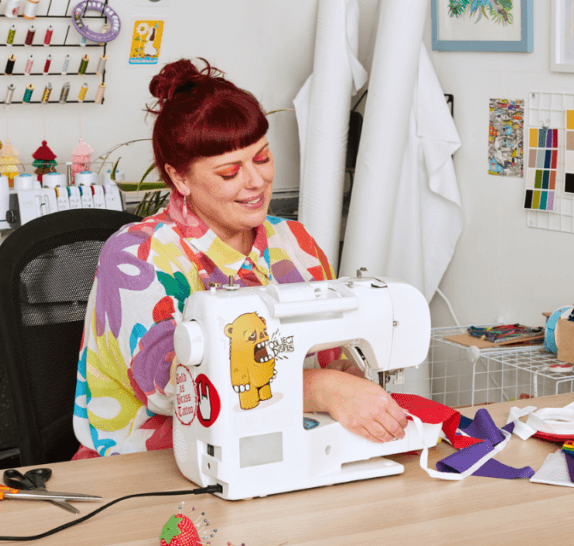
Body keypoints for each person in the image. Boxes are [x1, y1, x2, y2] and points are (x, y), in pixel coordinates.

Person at [72, 58, 407, 459]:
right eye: (230, 172)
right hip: (153, 467)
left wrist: (349, 376)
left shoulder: (293, 243)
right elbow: (176, 391)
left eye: (262, 158)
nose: (256, 181)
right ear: (180, 178)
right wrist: (317, 388)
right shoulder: (138, 257)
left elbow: (325, 354)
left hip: (279, 453)